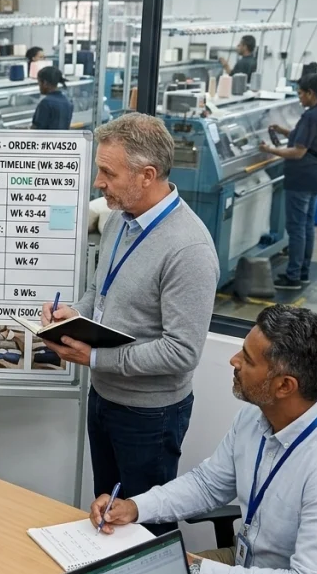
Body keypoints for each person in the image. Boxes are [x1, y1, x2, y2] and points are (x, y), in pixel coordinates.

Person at [91, 305, 317, 574]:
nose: (234, 361)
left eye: (248, 358)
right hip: (249, 568)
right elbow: (207, 485)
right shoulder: (258, 416)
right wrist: (134, 507)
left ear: (285, 386)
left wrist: (197, 571)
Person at [40, 113, 219, 534]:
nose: (99, 183)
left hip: (149, 418)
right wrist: (75, 313)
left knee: (142, 529)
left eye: (108, 172)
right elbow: (100, 291)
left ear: (147, 175)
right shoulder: (120, 218)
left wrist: (98, 358)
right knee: (108, 515)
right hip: (105, 400)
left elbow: (182, 352)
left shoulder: (188, 249)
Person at [261, 73, 317, 290]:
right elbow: (306, 139)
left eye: (300, 94)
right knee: (306, 226)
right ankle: (303, 271)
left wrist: (270, 150)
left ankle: (293, 276)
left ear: (310, 93)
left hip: (302, 177)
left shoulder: (310, 116)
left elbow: (298, 151)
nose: (299, 98)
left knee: (296, 228)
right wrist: (282, 130)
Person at [31, 66, 73, 131]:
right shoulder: (68, 101)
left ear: (45, 83)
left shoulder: (46, 103)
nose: (39, 87)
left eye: (39, 83)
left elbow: (37, 129)